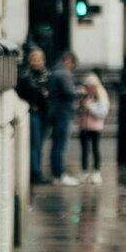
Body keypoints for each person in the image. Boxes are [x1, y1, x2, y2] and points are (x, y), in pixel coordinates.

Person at [17, 45, 49, 185]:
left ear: (43, 61)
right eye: (34, 59)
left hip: (45, 114)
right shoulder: (25, 76)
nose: (36, 62)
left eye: (39, 59)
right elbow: (21, 94)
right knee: (35, 144)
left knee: (40, 144)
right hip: (34, 113)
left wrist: (47, 95)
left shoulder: (48, 76)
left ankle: (37, 169)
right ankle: (35, 172)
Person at [46, 52, 79, 185]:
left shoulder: (54, 71)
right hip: (63, 112)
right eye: (73, 65)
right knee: (60, 145)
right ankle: (60, 174)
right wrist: (80, 92)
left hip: (54, 111)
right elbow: (69, 93)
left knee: (55, 145)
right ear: (69, 61)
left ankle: (56, 174)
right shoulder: (64, 73)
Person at [76, 71, 110, 183]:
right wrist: (80, 104)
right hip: (83, 126)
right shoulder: (83, 95)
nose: (88, 87)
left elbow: (102, 113)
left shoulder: (101, 95)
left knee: (95, 149)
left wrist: (89, 107)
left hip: (95, 127)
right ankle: (84, 171)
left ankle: (96, 172)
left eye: (91, 85)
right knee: (84, 150)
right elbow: (77, 111)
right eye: (87, 85)